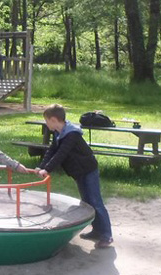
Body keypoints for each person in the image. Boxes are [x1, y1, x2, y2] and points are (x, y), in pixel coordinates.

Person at [38, 103, 114, 248]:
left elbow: (61, 154)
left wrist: (47, 169)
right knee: (86, 202)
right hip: (78, 172)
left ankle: (106, 234)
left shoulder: (71, 134)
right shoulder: (58, 133)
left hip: (88, 170)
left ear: (53, 120)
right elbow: (52, 150)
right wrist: (41, 166)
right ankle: (96, 230)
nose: (46, 123)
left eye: (46, 120)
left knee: (95, 201)